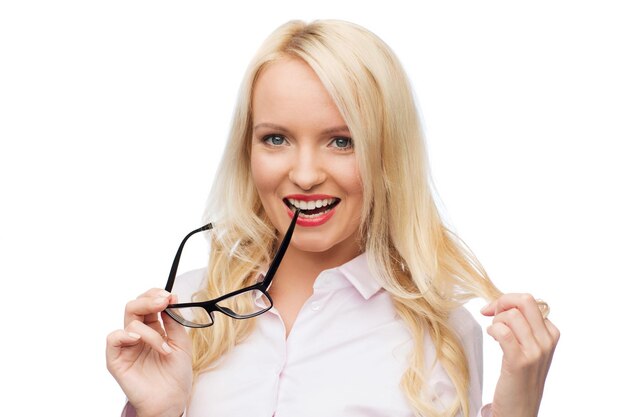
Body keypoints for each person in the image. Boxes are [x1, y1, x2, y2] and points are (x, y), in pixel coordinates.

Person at [106, 19, 559, 417]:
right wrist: (157, 414)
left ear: (388, 155)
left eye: (341, 141)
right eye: (276, 138)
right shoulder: (184, 310)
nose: (304, 175)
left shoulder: (442, 338)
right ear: (248, 150)